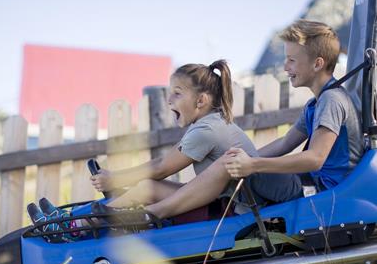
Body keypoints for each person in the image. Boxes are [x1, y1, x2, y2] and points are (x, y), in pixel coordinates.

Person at [126, 19, 363, 220]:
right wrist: (248, 159)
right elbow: (284, 144)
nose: (285, 66)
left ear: (317, 63)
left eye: (291, 59)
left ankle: (152, 214)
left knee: (227, 164)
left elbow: (315, 159)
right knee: (231, 161)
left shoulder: (331, 101)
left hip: (320, 192)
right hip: (307, 183)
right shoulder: (316, 103)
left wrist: (252, 165)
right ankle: (156, 208)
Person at [27, 59, 257, 236]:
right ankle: (71, 219)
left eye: (177, 94)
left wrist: (115, 179)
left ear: (201, 101)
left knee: (146, 187)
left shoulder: (206, 130)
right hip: (223, 203)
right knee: (147, 188)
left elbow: (161, 168)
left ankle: (74, 226)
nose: (169, 101)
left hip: (233, 212)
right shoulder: (211, 124)